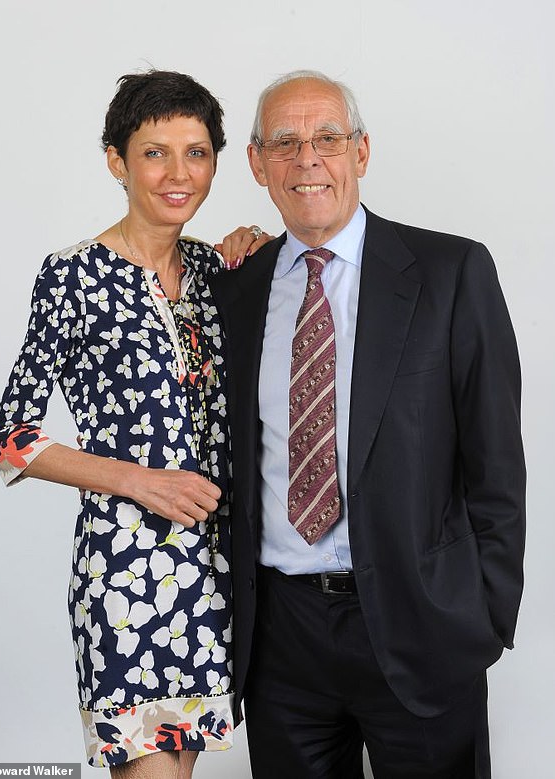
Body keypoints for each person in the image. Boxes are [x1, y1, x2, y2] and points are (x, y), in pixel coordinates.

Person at [209, 70, 526, 779]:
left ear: (362, 151)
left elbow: (497, 462)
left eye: (327, 137)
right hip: (281, 643)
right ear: (258, 164)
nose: (307, 159)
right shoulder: (236, 287)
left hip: (421, 626)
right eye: (284, 143)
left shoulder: (451, 272)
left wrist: (482, 618)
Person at [0, 70, 267, 778]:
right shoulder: (72, 276)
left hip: (214, 571)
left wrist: (263, 251)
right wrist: (141, 481)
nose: (178, 174)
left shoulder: (216, 270)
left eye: (196, 152)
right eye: (154, 152)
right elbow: (11, 437)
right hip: (126, 572)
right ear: (116, 159)